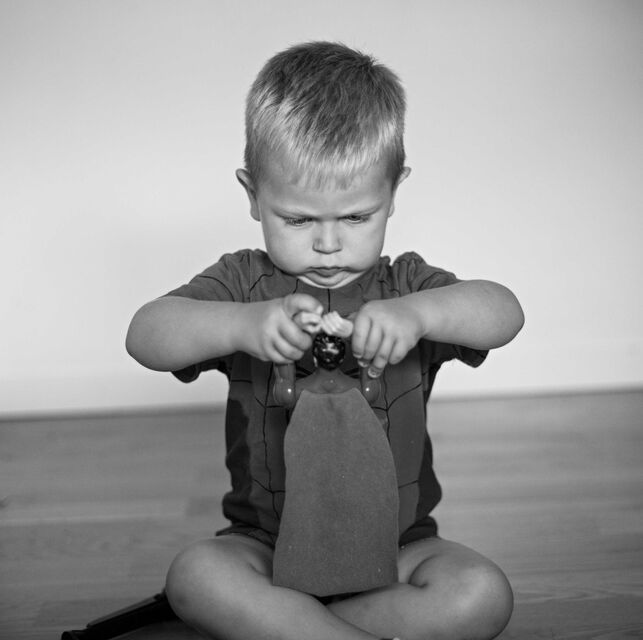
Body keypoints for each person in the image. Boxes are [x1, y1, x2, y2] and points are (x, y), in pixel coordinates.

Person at [126, 41, 524, 640]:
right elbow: (146, 334)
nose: (329, 245)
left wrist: (420, 315)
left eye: (357, 217)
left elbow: (504, 312)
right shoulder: (243, 283)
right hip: (266, 546)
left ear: (394, 191)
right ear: (253, 194)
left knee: (481, 594)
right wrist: (240, 324)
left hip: (397, 547)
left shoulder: (405, 286)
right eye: (298, 219)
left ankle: (291, 629)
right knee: (196, 576)